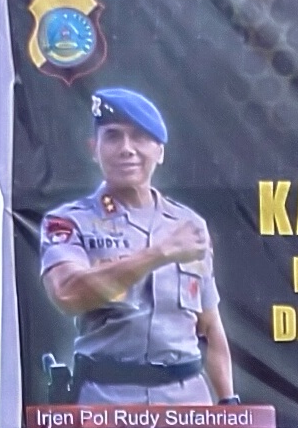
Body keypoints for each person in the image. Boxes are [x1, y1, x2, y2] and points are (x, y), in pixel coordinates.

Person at [37, 87, 235, 406]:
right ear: (94, 149)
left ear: (160, 151)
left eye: (140, 137)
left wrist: (228, 404)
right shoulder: (69, 222)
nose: (127, 149)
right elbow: (67, 295)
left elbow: (210, 327)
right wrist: (159, 254)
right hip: (105, 402)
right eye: (113, 137)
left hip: (187, 403)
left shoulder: (189, 224)